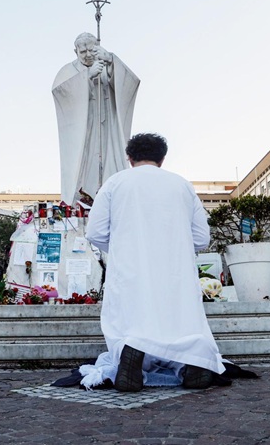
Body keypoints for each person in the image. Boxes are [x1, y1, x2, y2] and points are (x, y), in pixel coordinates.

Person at [83, 133, 224, 392]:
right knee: (178, 318)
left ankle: (132, 349)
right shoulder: (182, 185)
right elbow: (202, 238)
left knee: (134, 316)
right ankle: (190, 362)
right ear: (162, 158)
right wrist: (177, 247)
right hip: (174, 269)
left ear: (129, 157)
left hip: (130, 268)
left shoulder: (115, 183)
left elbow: (94, 232)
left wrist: (118, 249)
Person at [52, 33, 140, 206]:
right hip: (83, 130)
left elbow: (130, 83)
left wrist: (111, 62)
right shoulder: (68, 71)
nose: (87, 54)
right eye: (82, 51)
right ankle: (81, 200)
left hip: (108, 128)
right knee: (84, 167)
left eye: (91, 50)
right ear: (75, 51)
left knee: (110, 162)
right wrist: (87, 77)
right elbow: (60, 92)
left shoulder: (106, 64)